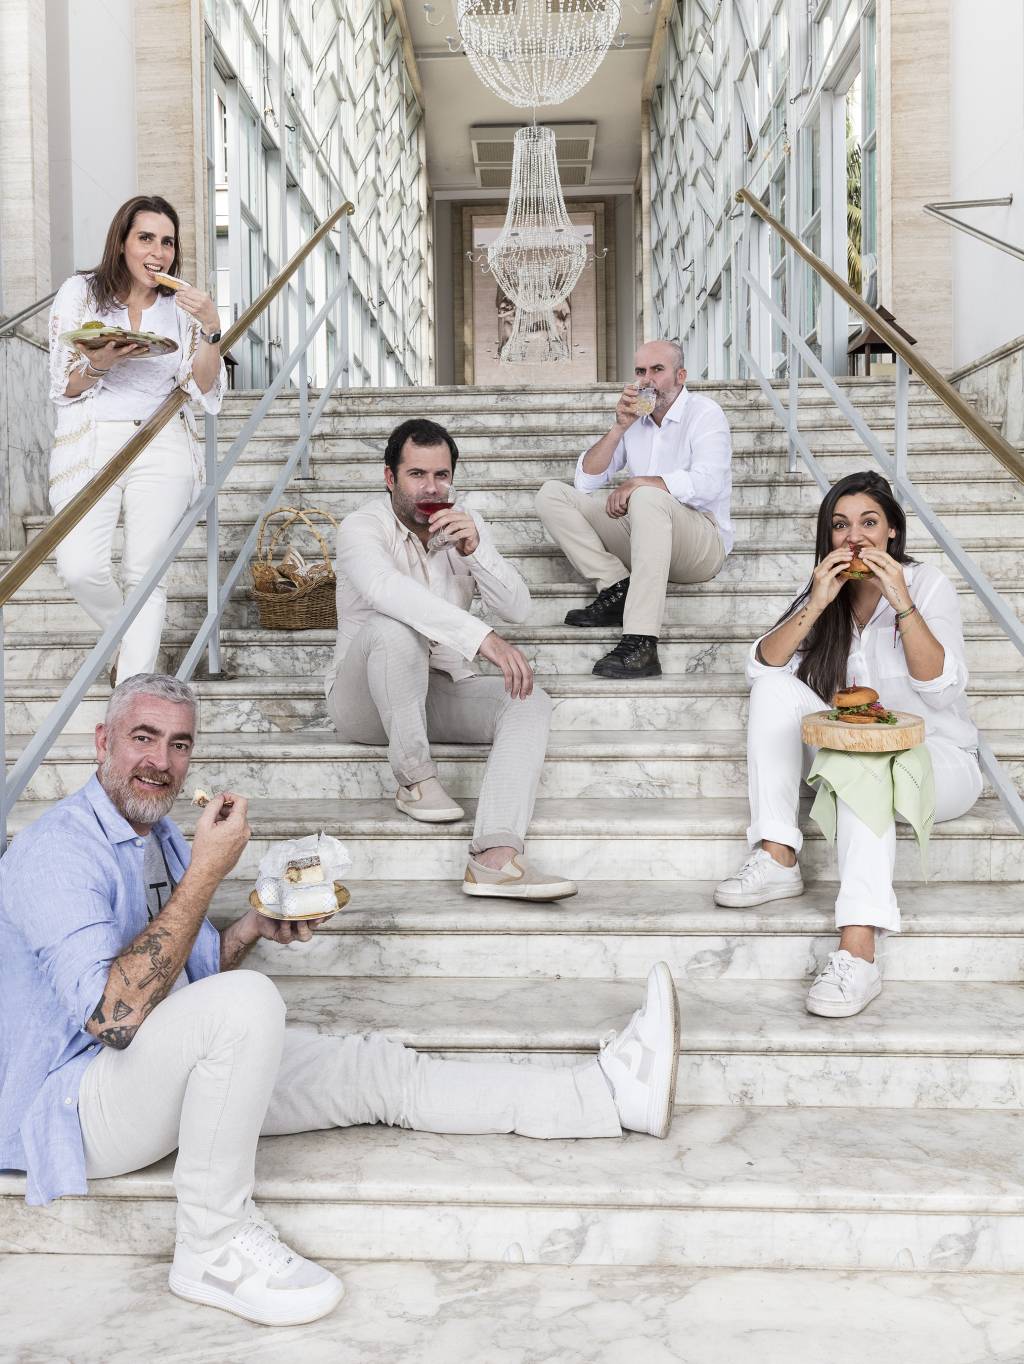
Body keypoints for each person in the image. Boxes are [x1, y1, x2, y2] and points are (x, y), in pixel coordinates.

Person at [0, 674, 681, 1328]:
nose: (161, 761)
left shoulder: (162, 838)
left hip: (147, 1075)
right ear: (103, 742)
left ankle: (605, 1094)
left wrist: (249, 929)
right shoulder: (57, 851)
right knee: (247, 1003)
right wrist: (207, 872)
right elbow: (111, 1018)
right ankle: (210, 1244)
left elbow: (184, 975)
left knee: (374, 1069)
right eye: (143, 738)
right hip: (73, 1105)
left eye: (179, 744)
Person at [714, 471, 983, 1017]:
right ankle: (777, 853)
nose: (854, 537)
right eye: (840, 525)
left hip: (939, 760)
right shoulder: (826, 590)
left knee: (866, 764)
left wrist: (902, 602)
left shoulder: (927, 584)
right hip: (855, 750)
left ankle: (859, 947)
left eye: (868, 523)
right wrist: (816, 602)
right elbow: (760, 667)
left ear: (892, 532)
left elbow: (941, 686)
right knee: (773, 690)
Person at [326, 417, 577, 902]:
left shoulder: (464, 524)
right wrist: (482, 639)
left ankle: (495, 859)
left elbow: (518, 609)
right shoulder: (362, 527)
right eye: (417, 474)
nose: (431, 488)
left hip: (436, 689)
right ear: (389, 477)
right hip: (364, 703)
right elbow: (386, 589)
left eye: (441, 475)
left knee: (528, 700)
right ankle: (415, 780)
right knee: (392, 628)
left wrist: (476, 551)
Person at [47, 194, 227, 684]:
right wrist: (101, 363)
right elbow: (63, 385)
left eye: (167, 242)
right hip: (93, 443)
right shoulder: (81, 293)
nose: (158, 252)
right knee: (79, 566)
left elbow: (203, 385)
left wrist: (212, 328)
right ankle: (127, 645)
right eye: (146, 238)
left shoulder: (182, 306)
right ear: (121, 242)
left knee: (147, 577)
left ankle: (132, 698)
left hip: (162, 442)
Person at [535, 339, 732, 679]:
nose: (647, 379)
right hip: (646, 535)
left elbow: (708, 484)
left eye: (657, 370)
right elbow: (585, 481)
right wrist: (619, 427)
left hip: (700, 544)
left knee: (646, 496)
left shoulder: (705, 413)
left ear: (680, 376)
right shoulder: (635, 421)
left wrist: (640, 483)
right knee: (552, 494)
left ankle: (642, 642)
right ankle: (617, 587)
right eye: (641, 371)